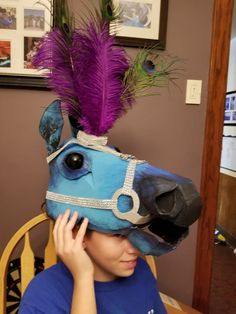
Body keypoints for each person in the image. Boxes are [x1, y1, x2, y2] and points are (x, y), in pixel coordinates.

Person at [19, 209, 167, 313]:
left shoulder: (142, 272)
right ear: (78, 234)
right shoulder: (43, 295)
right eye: (118, 235)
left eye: (137, 232)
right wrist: (83, 277)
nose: (135, 249)